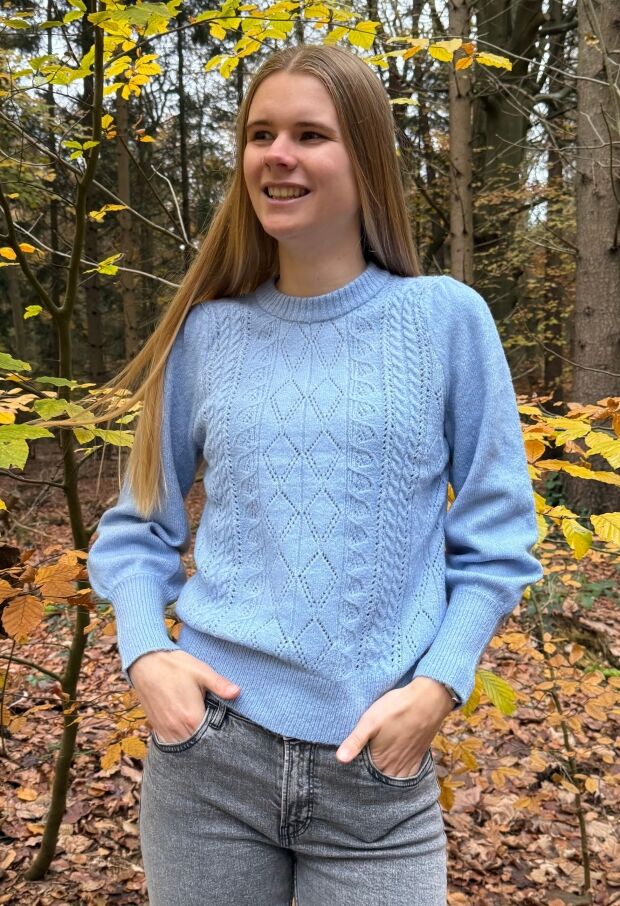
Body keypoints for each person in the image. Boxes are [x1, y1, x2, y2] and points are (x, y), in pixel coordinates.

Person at [87, 43, 543, 906]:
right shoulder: (207, 334)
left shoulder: (445, 320)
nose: (277, 155)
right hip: (211, 763)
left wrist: (438, 686)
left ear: (365, 156)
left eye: (309, 134)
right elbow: (138, 528)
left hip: (376, 777)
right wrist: (147, 653)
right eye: (260, 134)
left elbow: (498, 539)